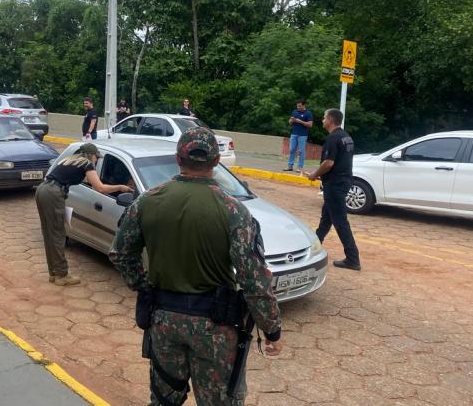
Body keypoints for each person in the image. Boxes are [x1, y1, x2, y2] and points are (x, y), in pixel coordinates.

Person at [110, 127, 282, 405]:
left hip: (163, 320)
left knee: (164, 399)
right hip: (215, 329)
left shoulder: (146, 202)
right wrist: (271, 329)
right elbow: (253, 279)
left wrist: (143, 287)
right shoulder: (233, 210)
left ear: (178, 159)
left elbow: (120, 253)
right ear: (216, 162)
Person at [35, 143, 129, 286]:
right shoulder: (87, 164)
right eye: (96, 157)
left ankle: (54, 273)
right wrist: (121, 187)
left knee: (49, 233)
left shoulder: (70, 160)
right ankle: (62, 275)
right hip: (53, 194)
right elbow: (100, 188)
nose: (97, 161)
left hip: (43, 190)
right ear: (91, 155)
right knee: (58, 235)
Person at [304, 108, 361, 271]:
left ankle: (352, 258)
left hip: (335, 185)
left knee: (340, 222)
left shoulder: (332, 138)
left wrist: (315, 174)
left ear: (330, 119)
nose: (322, 121)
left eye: (323, 118)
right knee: (326, 218)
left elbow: (329, 163)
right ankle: (314, 246)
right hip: (343, 181)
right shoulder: (346, 137)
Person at [283, 99, 313, 172]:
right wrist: (291, 120)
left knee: (301, 151)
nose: (298, 107)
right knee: (292, 150)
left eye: (299, 106)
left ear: (303, 105)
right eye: (297, 106)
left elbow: (310, 124)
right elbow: (290, 122)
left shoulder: (308, 113)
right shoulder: (294, 112)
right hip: (294, 134)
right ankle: (290, 166)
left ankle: (300, 167)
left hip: (302, 135)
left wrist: (300, 121)